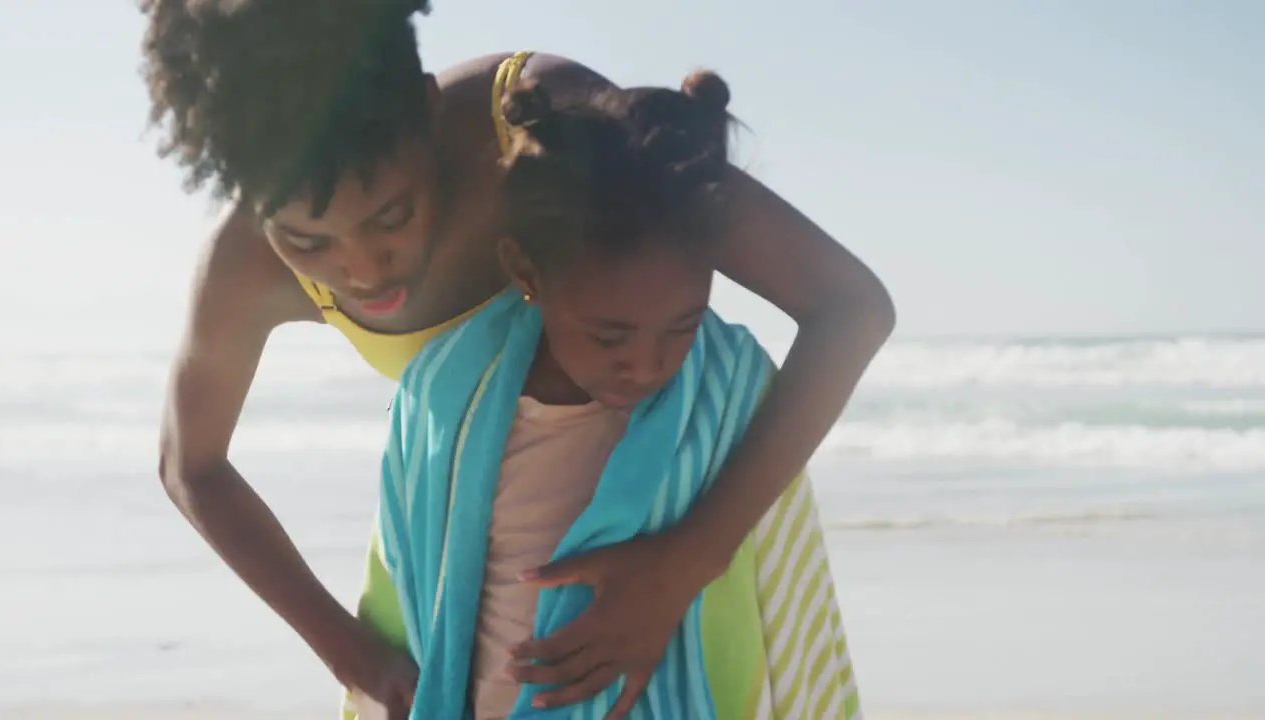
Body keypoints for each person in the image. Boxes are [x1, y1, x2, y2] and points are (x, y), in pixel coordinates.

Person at [138, 0, 894, 714]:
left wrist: (687, 560)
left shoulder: (550, 130)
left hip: (679, 525)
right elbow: (190, 465)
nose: (365, 270)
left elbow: (849, 306)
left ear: (428, 111)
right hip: (454, 552)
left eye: (392, 215)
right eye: (308, 243)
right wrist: (352, 655)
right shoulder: (242, 269)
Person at [372, 71, 862, 720]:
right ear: (526, 273)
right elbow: (414, 580)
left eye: (682, 326)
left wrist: (686, 562)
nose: (648, 364)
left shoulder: (724, 394)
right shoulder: (446, 395)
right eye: (610, 337)